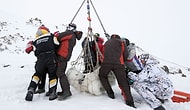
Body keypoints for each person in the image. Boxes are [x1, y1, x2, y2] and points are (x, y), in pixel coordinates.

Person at [98, 34, 135, 108]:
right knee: (123, 82)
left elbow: (102, 52)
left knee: (102, 75)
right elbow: (126, 54)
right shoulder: (122, 42)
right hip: (119, 64)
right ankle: (129, 102)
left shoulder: (107, 42)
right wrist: (122, 61)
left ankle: (110, 93)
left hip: (106, 63)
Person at [25, 25, 59, 101]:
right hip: (51, 58)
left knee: (37, 74)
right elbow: (57, 45)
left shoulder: (35, 41)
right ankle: (52, 93)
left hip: (40, 60)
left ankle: (31, 89)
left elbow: (28, 50)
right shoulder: (51, 36)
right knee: (53, 75)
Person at [55, 23, 83, 100]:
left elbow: (58, 37)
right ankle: (65, 90)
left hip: (62, 55)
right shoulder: (72, 35)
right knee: (60, 72)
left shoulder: (69, 33)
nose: (67, 28)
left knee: (60, 73)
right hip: (65, 55)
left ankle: (66, 91)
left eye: (68, 27)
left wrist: (56, 34)